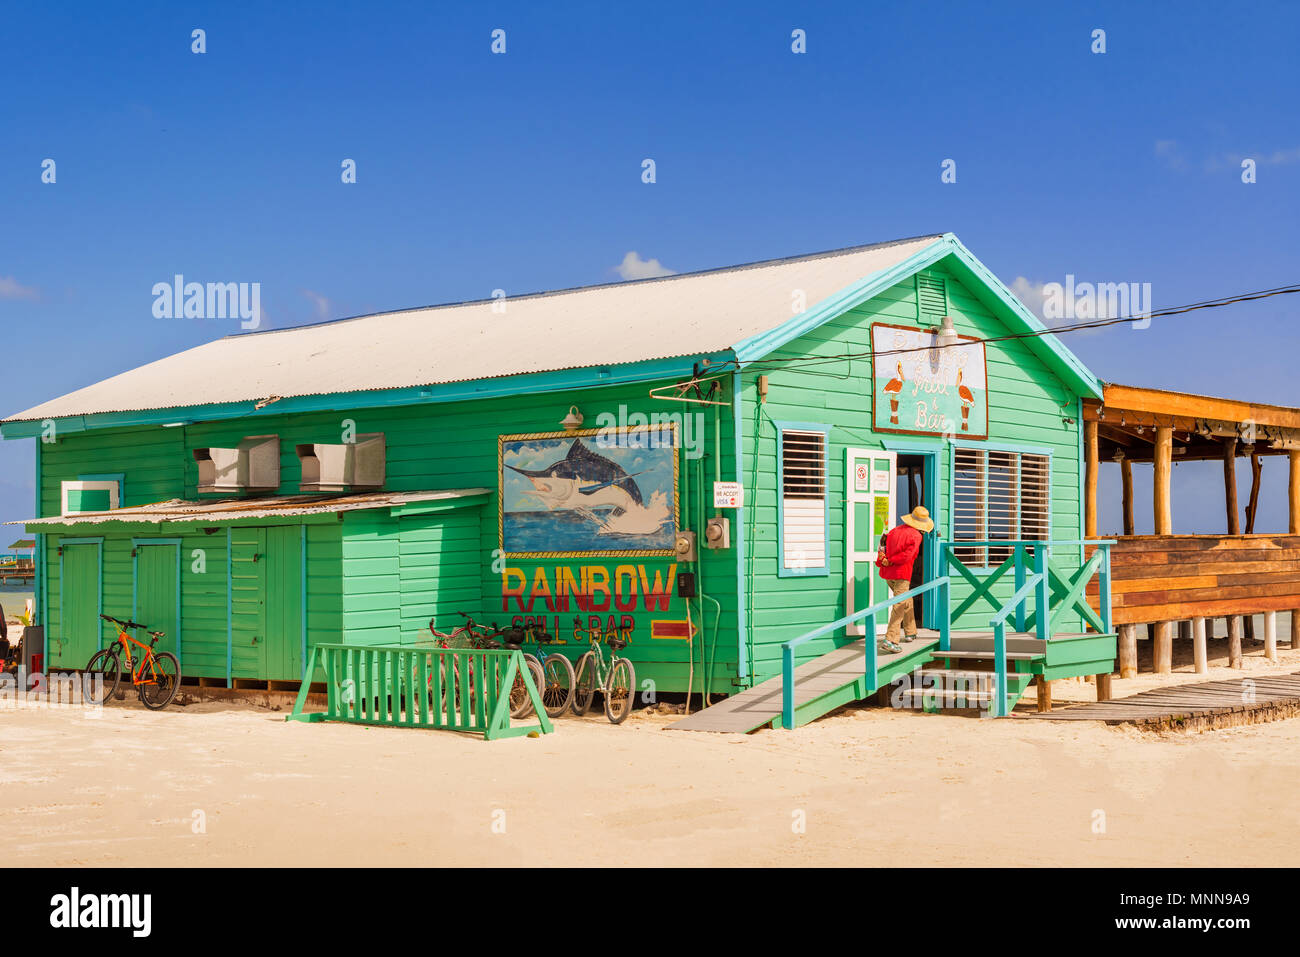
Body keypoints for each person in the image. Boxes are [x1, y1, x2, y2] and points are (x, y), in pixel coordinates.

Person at [874, 506, 935, 654]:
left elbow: (882, 547)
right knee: (899, 606)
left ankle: (910, 631)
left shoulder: (895, 530)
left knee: (906, 599)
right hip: (901, 573)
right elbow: (907, 556)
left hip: (888, 573)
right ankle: (890, 640)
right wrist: (893, 560)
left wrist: (885, 561)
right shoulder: (916, 536)